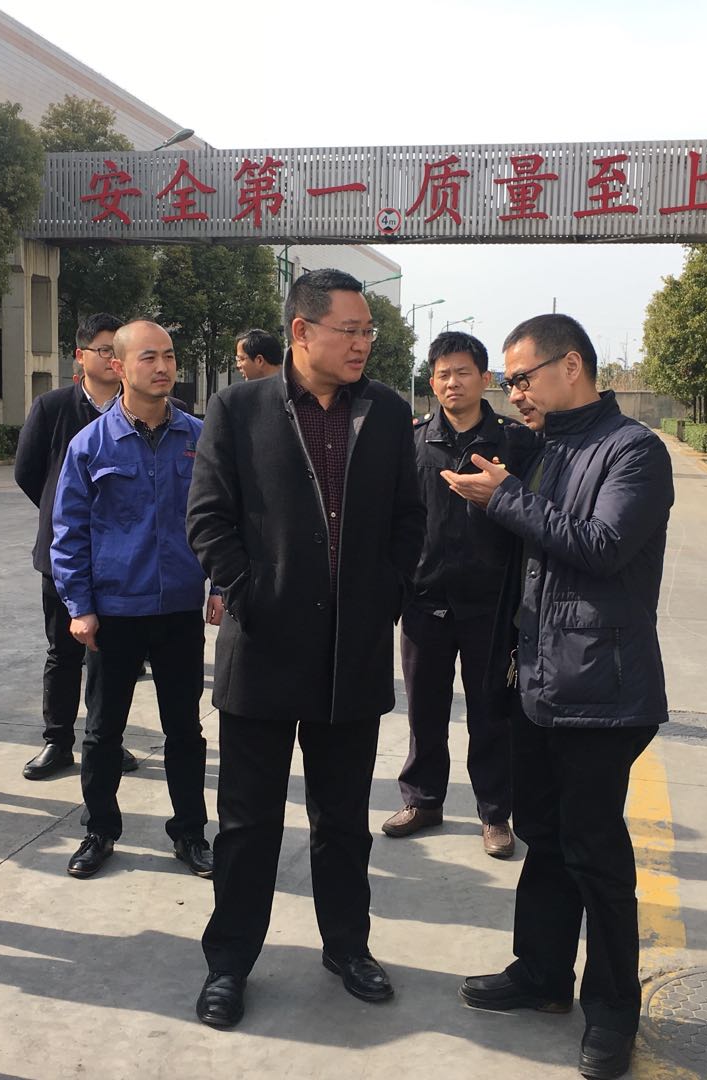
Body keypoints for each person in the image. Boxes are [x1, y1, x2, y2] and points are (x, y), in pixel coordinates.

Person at [187, 268, 425, 1029]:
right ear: (301, 331)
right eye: (349, 330)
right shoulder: (239, 408)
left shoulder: (386, 412)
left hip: (351, 653)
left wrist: (385, 594)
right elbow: (208, 518)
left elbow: (409, 518)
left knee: (343, 820)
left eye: (368, 332)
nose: (362, 345)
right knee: (247, 823)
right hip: (263, 650)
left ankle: (347, 947)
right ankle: (229, 963)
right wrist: (251, 591)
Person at [441, 313, 673, 1080]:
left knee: (595, 852)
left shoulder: (633, 451)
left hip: (601, 686)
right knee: (543, 835)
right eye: (508, 382)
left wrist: (505, 498)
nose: (513, 393)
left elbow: (603, 547)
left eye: (521, 378)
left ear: (570, 366)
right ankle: (542, 973)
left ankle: (612, 1010)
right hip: (539, 678)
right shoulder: (544, 448)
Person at [51, 319, 217, 881]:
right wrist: (79, 607)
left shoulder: (198, 438)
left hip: (178, 610)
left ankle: (190, 832)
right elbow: (69, 532)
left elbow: (223, 517)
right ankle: (99, 829)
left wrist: (220, 585)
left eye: (169, 355)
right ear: (119, 366)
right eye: (149, 357)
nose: (163, 367)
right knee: (103, 731)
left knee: (185, 731)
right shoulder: (90, 445)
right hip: (114, 612)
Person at [381, 330, 535, 858]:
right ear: (432, 383)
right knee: (424, 711)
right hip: (424, 602)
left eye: (463, 372)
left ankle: (494, 813)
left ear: (485, 379)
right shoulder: (413, 440)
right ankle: (423, 800)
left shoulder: (515, 443)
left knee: (492, 713)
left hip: (490, 606)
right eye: (443, 374)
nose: (453, 382)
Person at [13, 312, 138, 781]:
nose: (109, 359)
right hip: (63, 555)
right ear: (80, 356)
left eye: (115, 350)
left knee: (110, 656)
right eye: (102, 350)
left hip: (123, 559)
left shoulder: (139, 407)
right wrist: (62, 515)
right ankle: (57, 741)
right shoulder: (52, 407)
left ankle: (106, 740)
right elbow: (28, 472)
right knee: (62, 651)